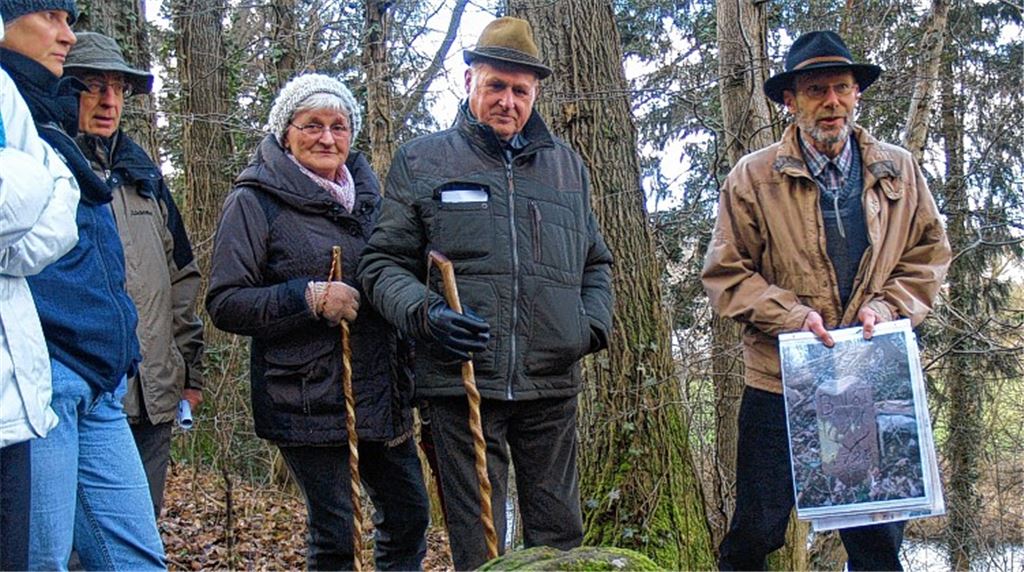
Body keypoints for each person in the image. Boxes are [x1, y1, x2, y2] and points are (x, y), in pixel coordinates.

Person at [359, 16, 614, 570]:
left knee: (559, 540)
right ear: (469, 80)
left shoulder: (566, 168)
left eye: (520, 91)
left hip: (550, 384)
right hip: (462, 383)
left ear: (535, 93)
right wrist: (428, 316)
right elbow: (380, 265)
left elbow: (596, 262)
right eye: (495, 85)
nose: (507, 101)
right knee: (480, 546)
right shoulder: (423, 161)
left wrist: (586, 328)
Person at [701, 30, 951, 571]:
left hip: (870, 375)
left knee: (877, 540)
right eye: (816, 90)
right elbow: (726, 273)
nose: (831, 102)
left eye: (841, 87)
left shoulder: (898, 171)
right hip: (779, 380)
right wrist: (790, 316)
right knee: (755, 531)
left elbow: (929, 255)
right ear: (790, 100)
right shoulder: (753, 177)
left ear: (857, 93)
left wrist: (886, 308)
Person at [206, 73, 429, 571]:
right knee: (336, 535)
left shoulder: (374, 201)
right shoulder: (255, 201)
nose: (327, 138)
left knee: (410, 514)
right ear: (286, 132)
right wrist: (307, 298)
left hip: (381, 392)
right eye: (312, 125)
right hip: (304, 398)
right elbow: (226, 302)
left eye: (339, 126)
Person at [0, 1, 166, 569]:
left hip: (102, 378)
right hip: (41, 375)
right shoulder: (14, 110)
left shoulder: (71, 134)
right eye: (51, 17)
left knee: (138, 561)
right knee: (35, 559)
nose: (66, 35)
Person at [63, 31, 205, 519]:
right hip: (86, 395)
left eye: (119, 89)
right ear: (63, 90)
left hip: (155, 395)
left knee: (141, 536)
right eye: (93, 86)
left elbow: (181, 280)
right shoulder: (48, 165)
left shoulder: (144, 177)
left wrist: (190, 371)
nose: (108, 101)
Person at [0, 12, 80, 571]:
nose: (67, 34)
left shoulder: (11, 97)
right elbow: (34, 185)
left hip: (19, 400)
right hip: (55, 371)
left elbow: (61, 202)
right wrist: (28, 177)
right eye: (50, 14)